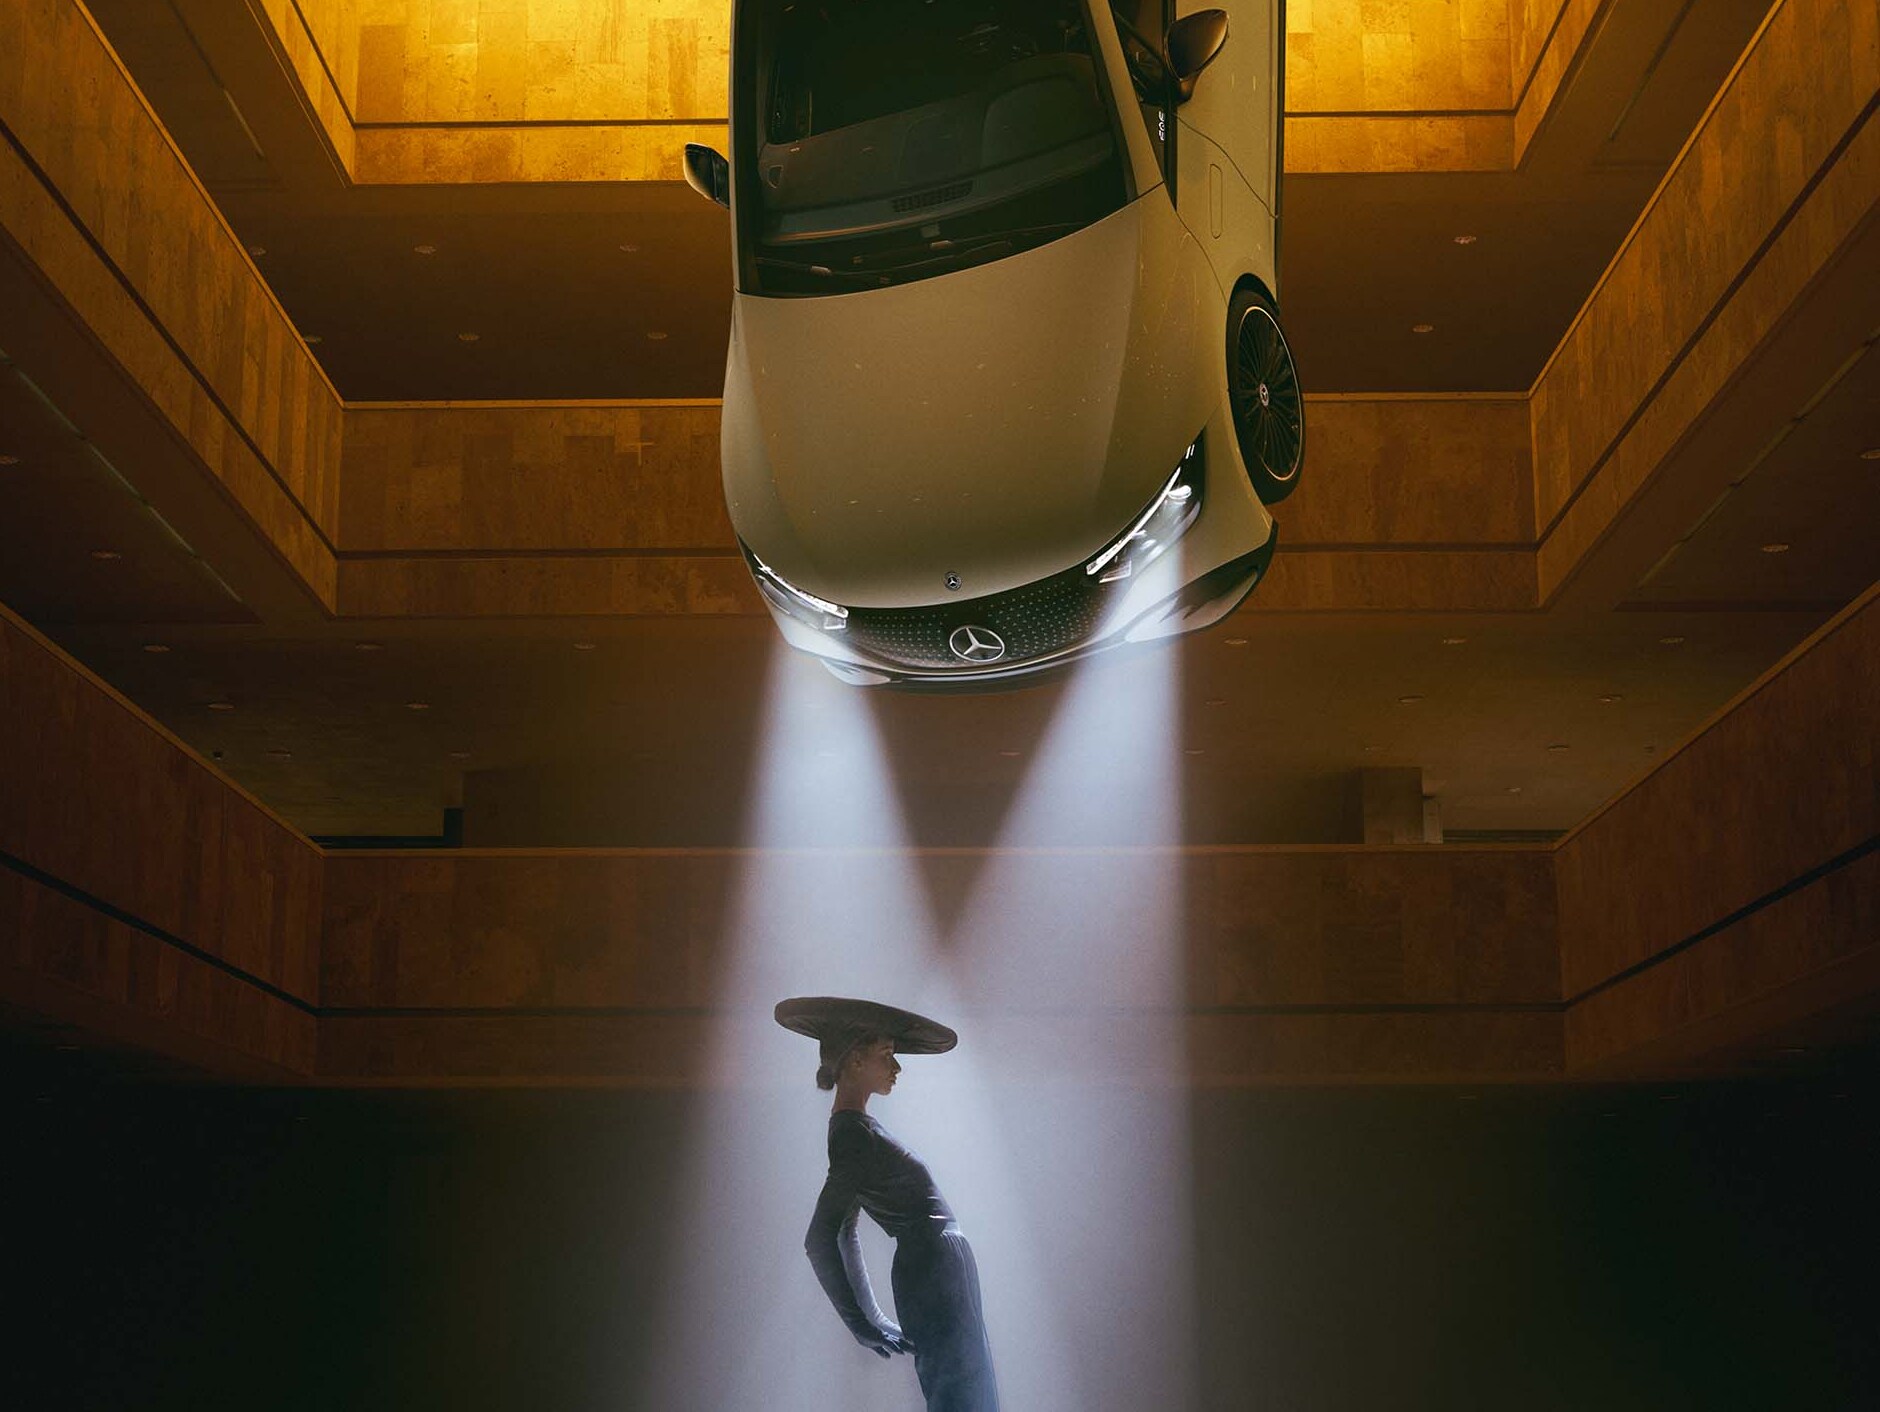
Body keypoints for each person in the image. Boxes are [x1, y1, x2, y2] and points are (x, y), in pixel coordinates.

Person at [775, 996, 1000, 1412]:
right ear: (855, 1061)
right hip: (931, 1269)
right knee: (960, 1393)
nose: (896, 1068)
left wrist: (871, 1317)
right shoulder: (852, 1136)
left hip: (937, 1267)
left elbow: (844, 1230)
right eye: (886, 1055)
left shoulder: (853, 1131)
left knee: (965, 1390)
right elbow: (821, 1236)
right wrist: (861, 1321)